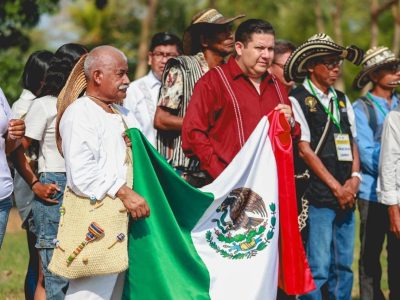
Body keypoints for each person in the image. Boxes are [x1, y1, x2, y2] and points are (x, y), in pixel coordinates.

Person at [58, 45, 150, 299]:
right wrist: (123, 192)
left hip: (124, 219)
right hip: (97, 219)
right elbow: (81, 172)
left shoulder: (123, 113)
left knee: (116, 293)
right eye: (120, 74)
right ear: (97, 76)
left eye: (127, 73)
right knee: (89, 294)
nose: (127, 81)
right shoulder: (80, 113)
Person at [284, 33, 363, 299]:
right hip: (318, 194)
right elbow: (304, 150)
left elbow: (352, 140)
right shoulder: (297, 98)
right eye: (329, 63)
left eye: (337, 63)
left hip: (347, 193)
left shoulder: (341, 98)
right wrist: (336, 187)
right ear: (310, 66)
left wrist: (353, 179)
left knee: (343, 265)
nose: (336, 68)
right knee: (318, 265)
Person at [181, 19, 300, 180]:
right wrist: (222, 175)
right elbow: (193, 134)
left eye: (270, 49)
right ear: (239, 48)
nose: (266, 55)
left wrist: (291, 123)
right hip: (226, 189)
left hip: (270, 187)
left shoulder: (277, 86)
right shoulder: (214, 81)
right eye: (259, 48)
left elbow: (294, 136)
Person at [24, 43, 88, 299]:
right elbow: (19, 147)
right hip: (54, 187)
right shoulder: (45, 105)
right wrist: (34, 182)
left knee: (78, 268)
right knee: (49, 272)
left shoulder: (88, 106)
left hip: (83, 188)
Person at [154, 8, 244, 187]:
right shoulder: (182, 68)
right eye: (222, 31)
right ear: (204, 40)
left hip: (219, 174)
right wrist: (204, 125)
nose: (230, 35)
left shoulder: (229, 74)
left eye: (229, 29)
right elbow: (161, 119)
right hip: (183, 175)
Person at [356, 47, 400, 300]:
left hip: (397, 191)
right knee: (371, 253)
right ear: (374, 75)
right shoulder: (361, 107)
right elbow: (365, 150)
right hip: (371, 192)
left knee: (396, 252)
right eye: (390, 69)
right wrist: (391, 164)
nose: (397, 72)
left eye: (397, 67)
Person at [11, 49, 55, 300]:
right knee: (37, 259)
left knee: (40, 258)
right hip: (31, 183)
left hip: (35, 181)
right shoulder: (25, 106)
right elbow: (18, 151)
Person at [123, 32, 182, 144]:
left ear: (180, 59)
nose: (164, 61)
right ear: (150, 58)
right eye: (159, 54)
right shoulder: (133, 90)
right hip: (147, 159)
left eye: (170, 55)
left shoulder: (188, 88)